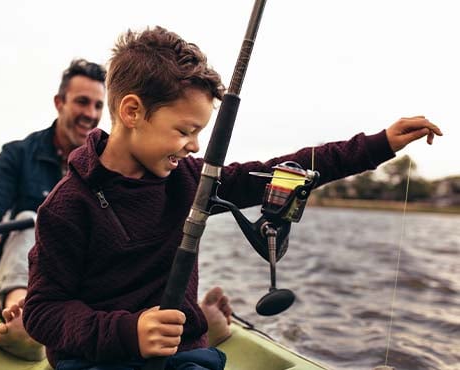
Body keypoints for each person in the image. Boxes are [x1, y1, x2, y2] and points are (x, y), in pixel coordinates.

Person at [22, 26, 442, 370]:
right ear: (132, 112)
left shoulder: (192, 180)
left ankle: (212, 324)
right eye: (185, 130)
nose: (193, 145)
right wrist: (128, 332)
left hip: (182, 358)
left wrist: (379, 144)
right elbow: (42, 312)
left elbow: (285, 169)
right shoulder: (66, 205)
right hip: (97, 358)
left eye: (200, 133)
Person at [0, 58, 107, 360]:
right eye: (82, 102)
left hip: (80, 271)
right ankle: (23, 313)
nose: (90, 114)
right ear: (60, 103)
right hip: (30, 269)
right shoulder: (18, 154)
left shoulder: (109, 161)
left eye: (98, 106)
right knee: (29, 220)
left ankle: (185, 323)